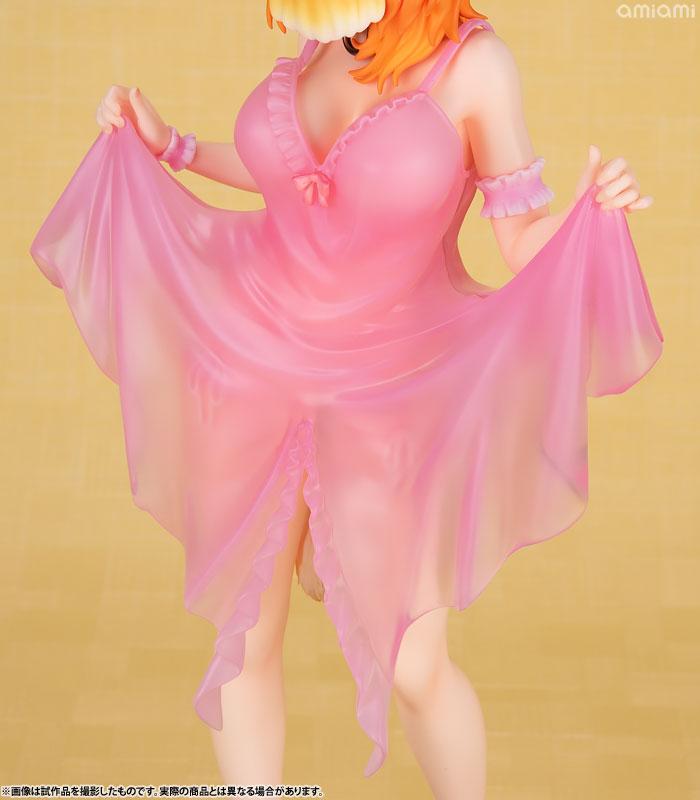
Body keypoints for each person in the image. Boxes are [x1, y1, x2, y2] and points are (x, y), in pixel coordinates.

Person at [30, 1, 663, 796]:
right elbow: (289, 177)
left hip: (392, 390)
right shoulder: (327, 32)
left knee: (415, 667)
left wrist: (587, 216)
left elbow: (519, 234)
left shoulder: (473, 65)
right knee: (245, 643)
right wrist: (175, 148)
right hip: (253, 362)